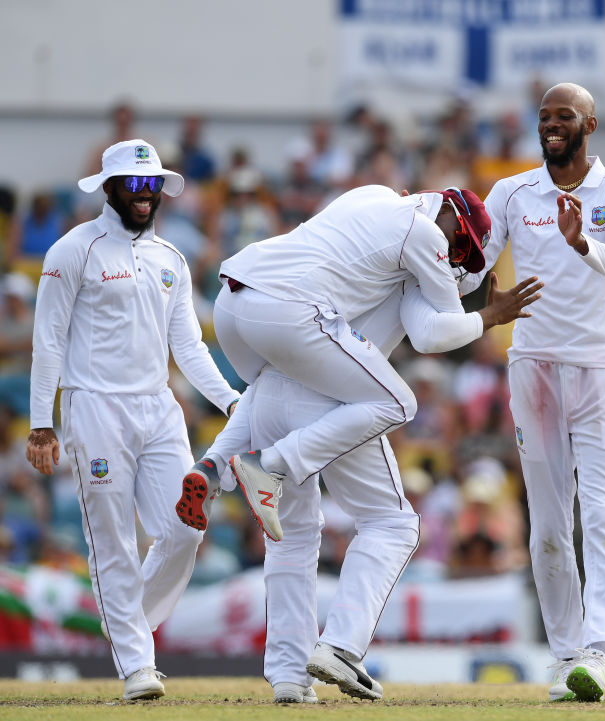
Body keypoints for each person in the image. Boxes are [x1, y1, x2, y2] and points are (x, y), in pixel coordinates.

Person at [175, 186, 541, 702]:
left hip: (249, 313)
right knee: (393, 514)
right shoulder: (425, 240)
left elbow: (427, 317)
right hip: (318, 371)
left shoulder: (371, 201)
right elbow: (434, 334)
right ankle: (341, 645)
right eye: (460, 251)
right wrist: (488, 314)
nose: (456, 262)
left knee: (293, 535)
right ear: (453, 223)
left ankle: (286, 676)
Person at [26, 139, 241, 701]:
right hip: (93, 407)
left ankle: (126, 631)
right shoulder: (73, 250)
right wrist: (39, 422)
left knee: (185, 528)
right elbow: (46, 341)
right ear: (109, 187)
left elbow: (190, 348)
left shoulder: (171, 259)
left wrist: (232, 402)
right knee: (113, 542)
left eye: (152, 185)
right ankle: (135, 666)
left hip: (157, 405)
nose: (145, 195)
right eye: (134, 184)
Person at [457, 82, 605, 702]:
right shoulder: (512, 192)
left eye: (563, 116)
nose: (551, 125)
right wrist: (433, 248)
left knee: (601, 511)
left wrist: (581, 242)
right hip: (533, 365)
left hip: (599, 367)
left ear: (590, 122)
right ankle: (566, 656)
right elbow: (474, 266)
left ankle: (599, 646)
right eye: (544, 117)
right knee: (546, 525)